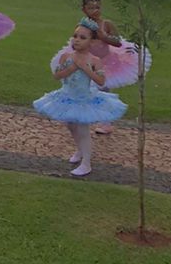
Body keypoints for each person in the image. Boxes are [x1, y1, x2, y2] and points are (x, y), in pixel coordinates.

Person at [49, 0, 150, 135]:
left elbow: (117, 42)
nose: (95, 11)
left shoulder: (106, 24)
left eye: (98, 7)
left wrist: (104, 36)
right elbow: (75, 42)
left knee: (104, 90)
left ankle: (106, 122)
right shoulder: (82, 25)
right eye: (91, 8)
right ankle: (78, 117)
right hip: (85, 60)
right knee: (81, 89)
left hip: (105, 62)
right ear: (84, 10)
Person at [34, 20, 126, 178]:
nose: (77, 39)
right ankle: (79, 150)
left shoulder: (94, 61)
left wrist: (85, 69)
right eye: (75, 36)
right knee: (70, 125)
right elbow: (57, 75)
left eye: (82, 37)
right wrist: (71, 68)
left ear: (91, 41)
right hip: (67, 96)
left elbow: (101, 81)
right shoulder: (66, 57)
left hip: (83, 99)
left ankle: (86, 163)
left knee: (83, 130)